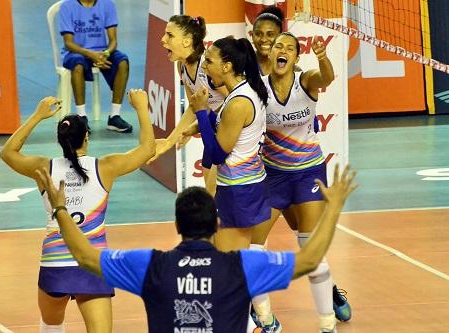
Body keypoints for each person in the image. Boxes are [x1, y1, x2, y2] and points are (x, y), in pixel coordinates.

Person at [36, 163, 357, 333]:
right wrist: (333, 208)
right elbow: (310, 258)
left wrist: (61, 209)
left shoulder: (151, 266)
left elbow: (84, 255)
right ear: (217, 224)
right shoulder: (242, 266)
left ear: (177, 227)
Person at [0, 90, 155, 333]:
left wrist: (37, 116)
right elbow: (147, 150)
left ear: (61, 140)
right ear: (87, 137)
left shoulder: (43, 168)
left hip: (54, 263)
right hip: (92, 263)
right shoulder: (106, 166)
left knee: (52, 325)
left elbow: (8, 153)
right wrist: (142, 108)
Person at [185, 36, 283, 332]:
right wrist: (205, 121)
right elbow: (224, 135)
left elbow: (217, 153)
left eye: (211, 61)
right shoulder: (244, 91)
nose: (206, 66)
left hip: (240, 190)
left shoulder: (238, 102)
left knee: (229, 267)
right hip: (246, 186)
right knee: (242, 258)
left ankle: (262, 323)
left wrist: (201, 112)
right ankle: (266, 320)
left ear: (227, 66)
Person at [254, 32, 348, 333]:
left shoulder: (305, 82)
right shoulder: (258, 90)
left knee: (310, 250)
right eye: (278, 46)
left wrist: (322, 57)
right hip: (272, 176)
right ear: (270, 55)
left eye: (289, 48)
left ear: (295, 57)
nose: (282, 50)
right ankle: (267, 320)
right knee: (254, 249)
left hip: (308, 172)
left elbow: (327, 76)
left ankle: (327, 324)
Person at [148, 15, 228, 195]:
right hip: (215, 128)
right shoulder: (182, 67)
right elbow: (194, 107)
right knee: (210, 190)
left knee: (214, 191)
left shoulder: (209, 67)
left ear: (186, 41)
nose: (162, 40)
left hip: (231, 133)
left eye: (169, 35)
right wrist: (170, 141)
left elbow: (238, 100)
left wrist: (198, 127)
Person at [59, 0, 133, 132]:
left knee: (122, 62)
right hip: (76, 52)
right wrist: (90, 54)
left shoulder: (107, 4)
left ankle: (114, 116)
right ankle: (81, 118)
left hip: (101, 52)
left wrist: (106, 53)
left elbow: (113, 40)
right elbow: (68, 43)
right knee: (78, 66)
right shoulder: (67, 6)